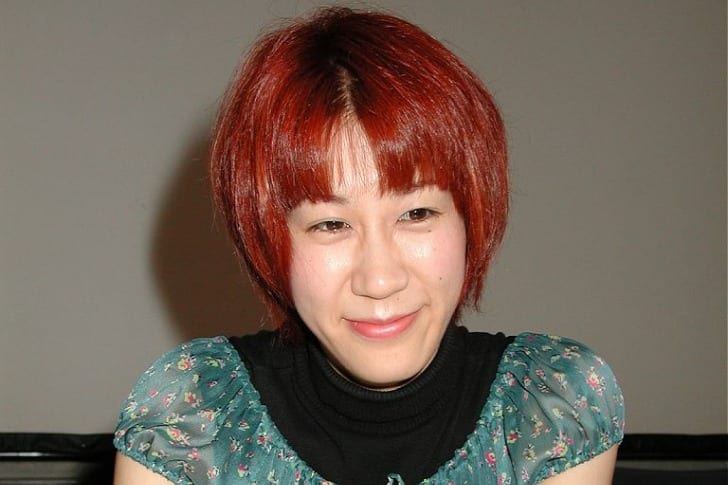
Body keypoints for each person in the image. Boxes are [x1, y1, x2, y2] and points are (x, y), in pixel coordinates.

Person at [113, 7, 624, 485]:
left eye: (416, 214)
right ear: (267, 238)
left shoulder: (549, 408)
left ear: (471, 216)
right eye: (331, 224)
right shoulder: (194, 418)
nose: (380, 280)